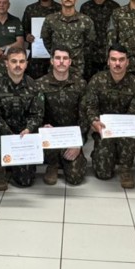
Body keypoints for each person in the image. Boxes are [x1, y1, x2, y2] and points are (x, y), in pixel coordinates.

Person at [81, 44, 135, 188]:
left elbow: (134, 112)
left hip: (126, 131)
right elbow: (91, 106)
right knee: (103, 174)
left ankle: (125, 167)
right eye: (113, 59)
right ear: (108, 61)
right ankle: (101, 154)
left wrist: (122, 129)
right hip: (104, 130)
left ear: (127, 62)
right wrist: (94, 121)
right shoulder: (97, 80)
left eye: (121, 60)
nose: (117, 63)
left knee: (132, 137)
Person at [0, 47, 46, 190]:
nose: (18, 65)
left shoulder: (34, 86)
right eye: (14, 61)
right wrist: (9, 134)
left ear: (26, 64)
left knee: (25, 180)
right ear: (6, 63)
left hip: (24, 135)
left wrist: (28, 129)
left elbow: (37, 114)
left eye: (21, 61)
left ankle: (14, 167)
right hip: (1, 134)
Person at [39, 46, 88, 185]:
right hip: (49, 136)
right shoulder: (40, 84)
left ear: (70, 62)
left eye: (65, 58)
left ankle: (68, 160)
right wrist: (41, 128)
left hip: (72, 137)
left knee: (75, 178)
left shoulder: (80, 84)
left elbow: (85, 116)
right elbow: (36, 113)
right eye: (58, 58)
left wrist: (78, 143)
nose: (61, 61)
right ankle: (53, 164)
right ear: (51, 61)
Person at [39, 0, 96, 79]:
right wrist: (56, 55)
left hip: (77, 67)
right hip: (57, 66)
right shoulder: (51, 20)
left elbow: (90, 43)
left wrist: (78, 55)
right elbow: (46, 40)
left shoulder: (85, 20)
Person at [80, 0, 120, 79]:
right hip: (89, 55)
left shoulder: (115, 7)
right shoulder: (85, 7)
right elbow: (81, 31)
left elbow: (118, 32)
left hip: (108, 54)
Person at [22, 0, 61, 79]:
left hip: (56, 52)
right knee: (35, 81)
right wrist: (27, 36)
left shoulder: (59, 8)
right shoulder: (30, 9)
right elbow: (24, 29)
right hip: (36, 55)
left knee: (55, 80)